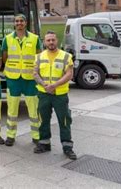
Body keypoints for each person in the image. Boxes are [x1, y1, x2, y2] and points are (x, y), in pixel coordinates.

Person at [33, 31, 77, 160]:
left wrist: (54, 85)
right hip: (44, 93)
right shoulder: (39, 57)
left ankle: (67, 147)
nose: (51, 42)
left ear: (57, 40)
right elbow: (35, 73)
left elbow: (69, 74)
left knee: (64, 120)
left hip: (60, 94)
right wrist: (45, 85)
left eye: (53, 40)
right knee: (43, 119)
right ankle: (44, 144)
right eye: (48, 40)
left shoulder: (66, 56)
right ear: (44, 42)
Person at [2, 13, 42, 146]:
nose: (19, 23)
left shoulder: (35, 38)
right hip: (13, 80)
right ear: (14, 23)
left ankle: (36, 136)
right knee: (12, 110)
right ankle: (10, 136)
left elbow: (39, 57)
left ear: (26, 23)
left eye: (21, 21)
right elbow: (4, 57)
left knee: (33, 109)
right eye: (17, 21)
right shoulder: (7, 39)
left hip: (30, 79)